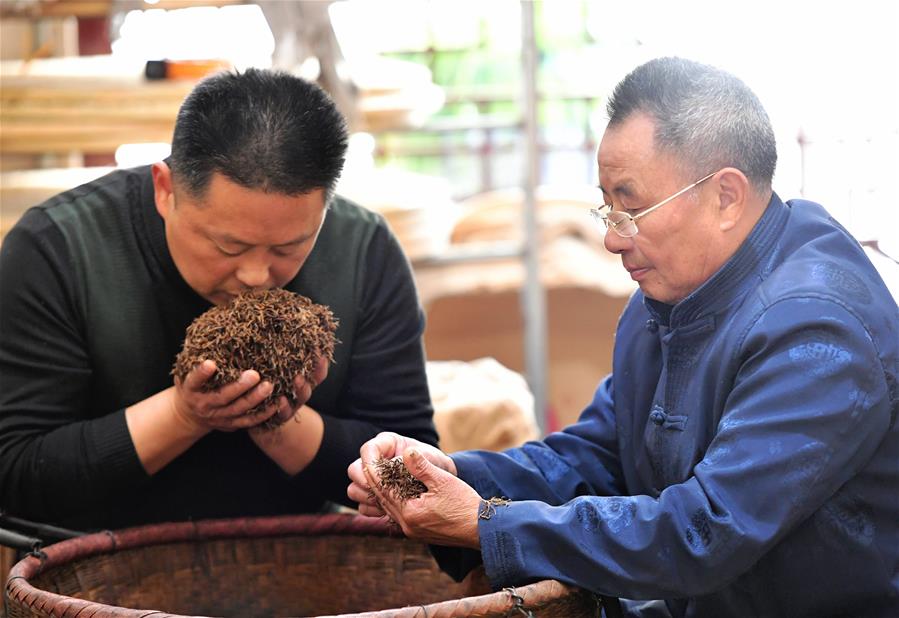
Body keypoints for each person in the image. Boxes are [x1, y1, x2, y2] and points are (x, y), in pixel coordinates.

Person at [348, 57, 899, 617]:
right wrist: (453, 476)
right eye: (606, 207)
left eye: (631, 208)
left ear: (726, 197)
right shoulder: (666, 300)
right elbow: (600, 454)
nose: (613, 240)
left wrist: (482, 523)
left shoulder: (818, 331)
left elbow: (705, 531)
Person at [0, 68, 437, 532]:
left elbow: (412, 473)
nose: (256, 276)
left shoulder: (362, 249)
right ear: (165, 189)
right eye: (229, 247)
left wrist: (277, 419)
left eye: (288, 248)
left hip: (301, 559)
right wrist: (183, 414)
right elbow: (14, 470)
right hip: (91, 566)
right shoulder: (58, 247)